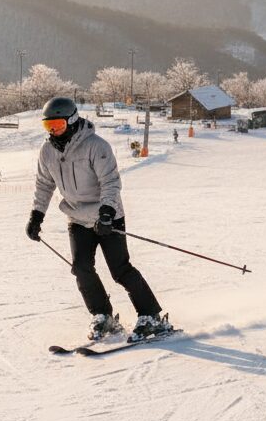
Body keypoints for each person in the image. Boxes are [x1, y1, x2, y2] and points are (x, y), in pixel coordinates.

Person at [26, 96, 169, 342]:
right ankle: (103, 316)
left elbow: (111, 182)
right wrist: (36, 216)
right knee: (81, 268)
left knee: (120, 270)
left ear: (72, 121)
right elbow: (44, 185)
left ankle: (151, 315)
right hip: (77, 217)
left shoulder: (96, 146)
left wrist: (107, 214)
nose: (53, 132)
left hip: (107, 217)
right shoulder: (47, 151)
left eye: (58, 125)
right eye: (48, 127)